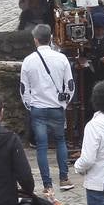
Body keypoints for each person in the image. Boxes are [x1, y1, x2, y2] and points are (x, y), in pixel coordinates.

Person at [21, 23, 76, 194]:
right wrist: (64, 103)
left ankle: (47, 185)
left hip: (38, 107)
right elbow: (70, 85)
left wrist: (30, 105)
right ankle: (64, 178)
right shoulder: (61, 59)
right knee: (60, 141)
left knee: (42, 146)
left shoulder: (28, 61)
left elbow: (24, 88)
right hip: (56, 106)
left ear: (35, 40)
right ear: (50, 38)